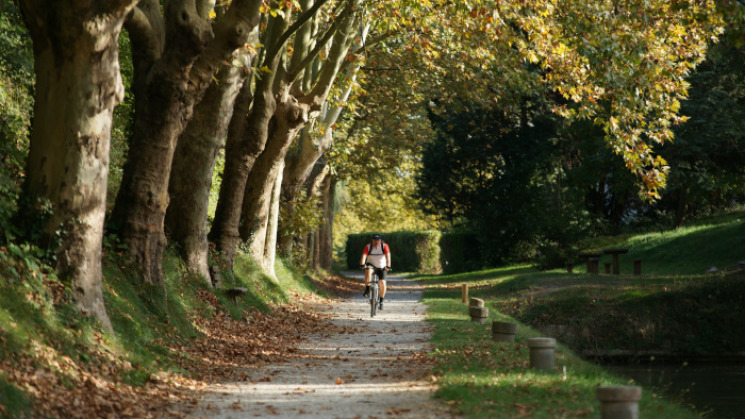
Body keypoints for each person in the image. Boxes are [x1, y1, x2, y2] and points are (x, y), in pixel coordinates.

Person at [359, 234, 391, 310]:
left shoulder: (384, 246)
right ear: (372, 240)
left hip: (382, 266)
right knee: (368, 270)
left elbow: (388, 256)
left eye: (378, 240)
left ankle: (381, 301)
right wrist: (362, 264)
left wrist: (388, 266)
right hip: (371, 264)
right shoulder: (368, 246)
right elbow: (364, 256)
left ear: (380, 240)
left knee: (382, 283)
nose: (376, 242)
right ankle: (367, 288)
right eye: (375, 240)